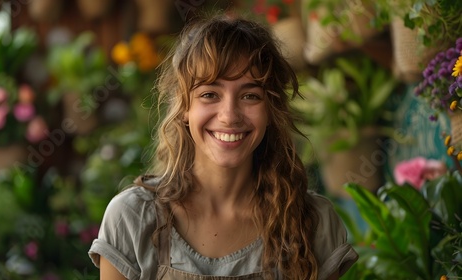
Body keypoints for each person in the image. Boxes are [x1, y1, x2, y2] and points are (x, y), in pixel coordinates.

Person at [88, 12, 358, 280]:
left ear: (270, 110)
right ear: (184, 108)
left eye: (250, 95)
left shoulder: (312, 223)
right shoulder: (132, 219)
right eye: (209, 94)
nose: (229, 115)